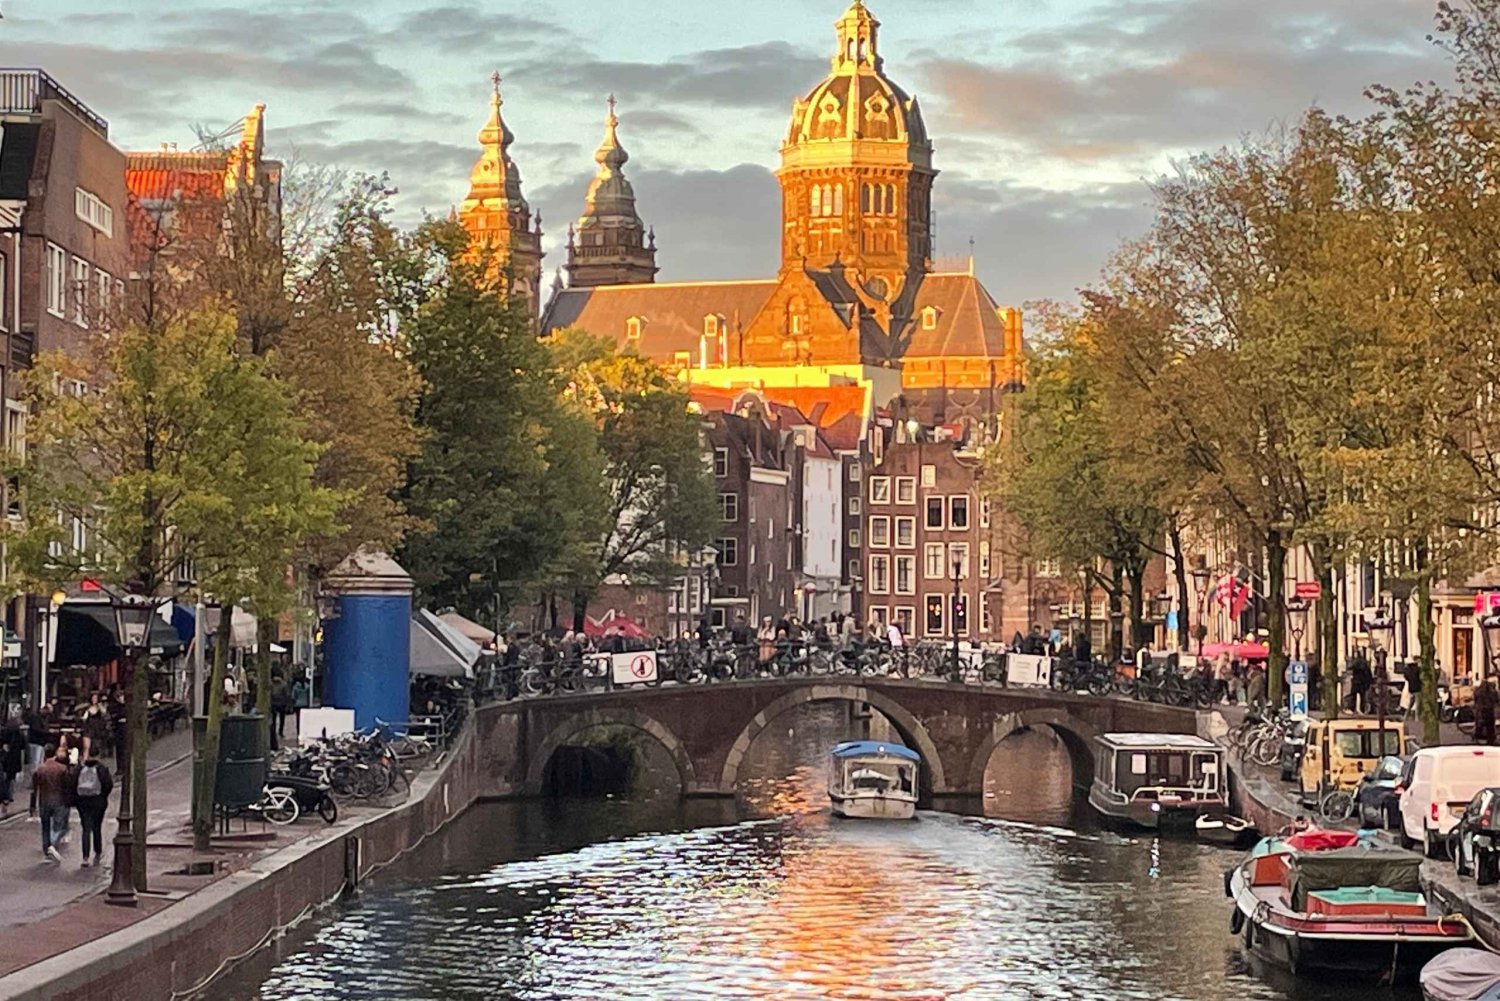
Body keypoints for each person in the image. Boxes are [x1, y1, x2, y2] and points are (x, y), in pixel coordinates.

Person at [72, 750, 112, 868]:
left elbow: (72, 783)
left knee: (85, 829)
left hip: (83, 802)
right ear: (98, 755)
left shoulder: (79, 769)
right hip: (98, 801)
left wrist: (76, 799)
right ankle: (98, 851)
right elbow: (108, 785)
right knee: (97, 827)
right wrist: (103, 796)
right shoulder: (102, 768)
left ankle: (85, 857)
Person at [33, 744, 68, 862]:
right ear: (55, 754)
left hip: (44, 800)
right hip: (59, 800)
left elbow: (34, 789)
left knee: (45, 827)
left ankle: (46, 850)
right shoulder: (62, 768)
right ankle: (52, 844)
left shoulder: (39, 769)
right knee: (61, 827)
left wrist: (32, 805)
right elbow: (66, 786)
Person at [0, 716, 22, 811]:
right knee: (11, 778)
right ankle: (9, 796)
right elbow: (23, 746)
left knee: (4, 778)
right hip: (15, 759)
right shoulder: (20, 735)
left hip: (5, 759)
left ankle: (6, 796)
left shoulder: (4, 734)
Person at [79, 693, 109, 760]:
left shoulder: (101, 707)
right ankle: (85, 760)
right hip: (89, 728)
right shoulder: (88, 707)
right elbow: (84, 718)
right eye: (93, 698)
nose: (94, 700)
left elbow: (104, 713)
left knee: (97, 746)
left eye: (96, 698)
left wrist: (100, 705)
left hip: (98, 729)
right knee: (87, 746)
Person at [1475, 679, 1498, 746]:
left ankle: (1478, 736)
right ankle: (1490, 740)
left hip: (1481, 710)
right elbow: (1496, 700)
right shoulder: (1492, 692)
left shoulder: (1478, 691)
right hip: (1489, 710)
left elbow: (1475, 699)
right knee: (1490, 726)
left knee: (1480, 724)